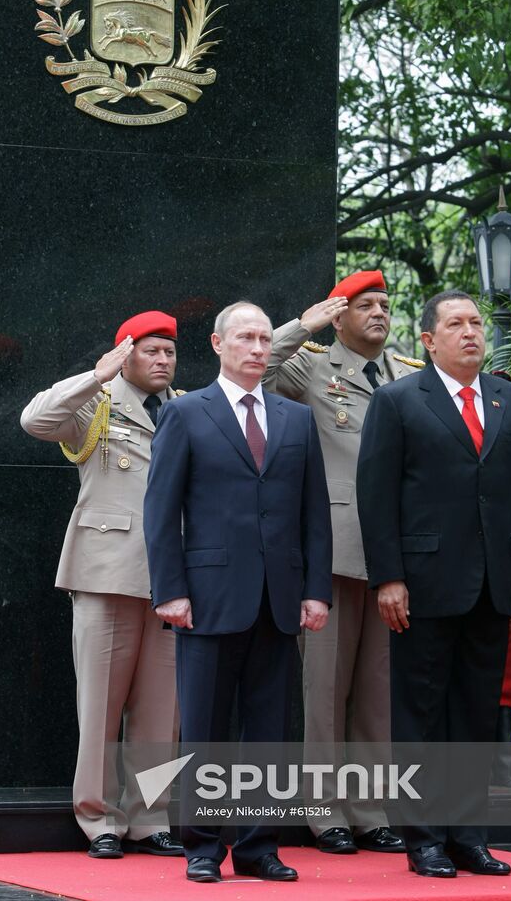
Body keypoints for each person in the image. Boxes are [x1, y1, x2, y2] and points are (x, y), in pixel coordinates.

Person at [144, 301, 333, 883]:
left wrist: (316, 591)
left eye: (263, 339)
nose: (257, 348)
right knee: (206, 728)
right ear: (218, 345)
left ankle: (258, 848)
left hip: (279, 601)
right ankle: (202, 847)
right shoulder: (187, 414)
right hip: (206, 598)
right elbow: (160, 508)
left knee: (270, 733)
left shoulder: (296, 419)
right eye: (246, 338)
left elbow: (314, 513)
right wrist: (169, 590)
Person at [357, 290, 511, 878]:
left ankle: (468, 835)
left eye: (476, 323)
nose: (470, 332)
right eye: (455, 324)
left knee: (474, 715)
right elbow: (376, 496)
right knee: (421, 714)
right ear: (429, 340)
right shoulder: (398, 401)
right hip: (424, 584)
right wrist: (388, 577)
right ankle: (424, 838)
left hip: (492, 585)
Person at [263, 270, 420, 854]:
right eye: (365, 305)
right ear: (340, 315)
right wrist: (305, 324)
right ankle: (323, 809)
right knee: (324, 687)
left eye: (384, 304)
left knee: (378, 688)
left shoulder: (407, 376)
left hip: (393, 556)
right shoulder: (310, 365)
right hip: (331, 547)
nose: (379, 313)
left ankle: (370, 808)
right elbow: (258, 370)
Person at [20, 311, 184, 859]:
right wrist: (96, 375)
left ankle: (151, 818)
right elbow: (35, 419)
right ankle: (99, 820)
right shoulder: (100, 402)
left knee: (163, 714)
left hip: (171, 580)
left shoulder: (183, 408)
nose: (162, 361)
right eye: (151, 351)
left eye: (169, 352)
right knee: (100, 710)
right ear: (126, 353)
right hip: (107, 573)